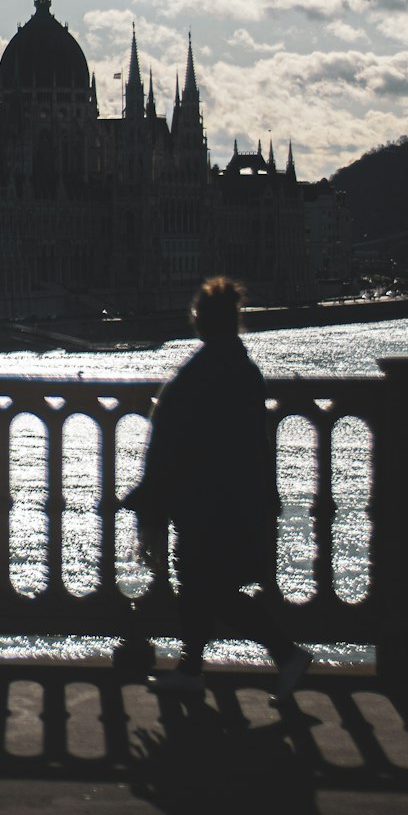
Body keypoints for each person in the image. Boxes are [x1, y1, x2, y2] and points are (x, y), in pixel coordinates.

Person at [123, 276, 312, 699]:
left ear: (202, 321)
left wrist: (154, 495)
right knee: (201, 584)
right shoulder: (240, 367)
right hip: (230, 496)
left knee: (207, 586)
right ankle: (192, 670)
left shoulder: (205, 369)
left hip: (207, 498)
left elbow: (177, 436)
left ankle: (283, 653)